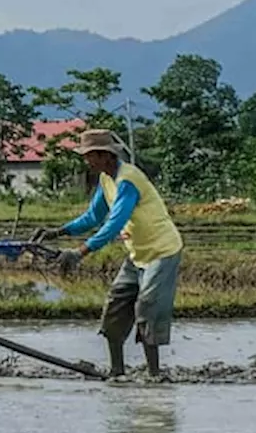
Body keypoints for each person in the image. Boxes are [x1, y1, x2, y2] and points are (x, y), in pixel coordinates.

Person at [30, 128, 183, 378]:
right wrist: (58, 232)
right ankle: (116, 371)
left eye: (90, 155)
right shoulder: (106, 178)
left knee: (147, 308)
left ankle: (155, 374)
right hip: (137, 253)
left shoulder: (127, 180)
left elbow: (113, 224)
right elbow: (93, 216)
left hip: (161, 252)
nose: (86, 161)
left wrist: (79, 253)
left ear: (105, 155)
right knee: (115, 303)